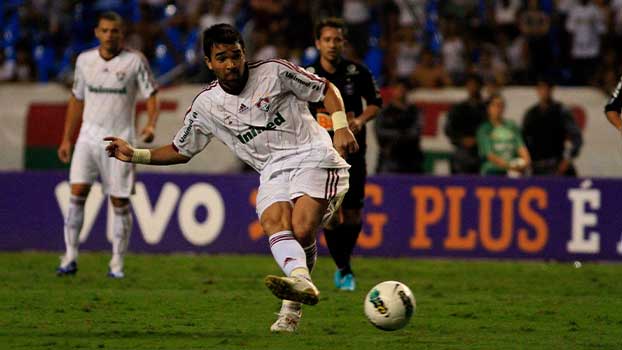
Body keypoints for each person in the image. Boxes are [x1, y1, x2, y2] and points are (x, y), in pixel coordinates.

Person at [104, 23, 358, 333]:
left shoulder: (275, 72)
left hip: (312, 154)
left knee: (302, 229)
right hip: (273, 170)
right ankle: (300, 285)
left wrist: (341, 126)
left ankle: (294, 297)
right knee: (274, 222)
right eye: (221, 58)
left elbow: (325, 89)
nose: (230, 64)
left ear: (244, 54)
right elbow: (181, 149)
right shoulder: (206, 106)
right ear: (209, 63)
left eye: (235, 56)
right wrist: (135, 154)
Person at [55, 11, 160, 279]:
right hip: (87, 139)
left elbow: (152, 95)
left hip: (121, 141)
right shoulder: (84, 61)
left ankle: (117, 264)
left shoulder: (135, 61)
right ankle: (69, 257)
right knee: (76, 194)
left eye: (115, 30)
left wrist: (150, 125)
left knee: (119, 201)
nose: (109, 35)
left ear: (122, 33)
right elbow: (76, 99)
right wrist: (67, 137)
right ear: (96, 32)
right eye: (105, 30)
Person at [305, 17, 382, 291]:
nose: (332, 45)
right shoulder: (307, 76)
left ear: (343, 42)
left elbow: (375, 103)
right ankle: (344, 268)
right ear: (317, 43)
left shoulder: (357, 72)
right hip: (321, 156)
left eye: (337, 39)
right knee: (332, 216)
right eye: (327, 40)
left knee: (353, 216)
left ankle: (343, 264)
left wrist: (359, 121)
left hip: (354, 154)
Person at [522, 78, 583, 176]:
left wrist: (567, 160)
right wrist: (525, 161)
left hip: (557, 165)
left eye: (547, 88)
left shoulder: (561, 111)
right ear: (537, 90)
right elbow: (523, 140)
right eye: (541, 88)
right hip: (536, 166)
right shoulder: (531, 114)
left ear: (551, 90)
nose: (544, 91)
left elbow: (576, 138)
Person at [375, 79, 424, 174]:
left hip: (411, 159)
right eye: (398, 89)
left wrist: (400, 136)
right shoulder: (385, 112)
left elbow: (415, 132)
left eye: (403, 89)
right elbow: (380, 132)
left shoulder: (414, 111)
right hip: (390, 158)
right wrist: (400, 134)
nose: (401, 92)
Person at [477, 93, 531, 176]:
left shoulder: (511, 126)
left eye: (501, 105)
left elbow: (521, 147)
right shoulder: (484, 129)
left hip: (514, 168)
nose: (498, 108)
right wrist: (509, 167)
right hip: (493, 170)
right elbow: (490, 155)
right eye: (495, 105)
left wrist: (526, 161)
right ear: (488, 108)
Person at [444, 74, 487, 174]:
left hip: (483, 150)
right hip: (462, 149)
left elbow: (492, 129)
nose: (473, 88)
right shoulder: (459, 108)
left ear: (480, 86)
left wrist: (478, 140)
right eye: (470, 85)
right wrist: (462, 140)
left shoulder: (486, 108)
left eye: (475, 85)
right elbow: (449, 129)